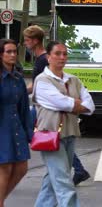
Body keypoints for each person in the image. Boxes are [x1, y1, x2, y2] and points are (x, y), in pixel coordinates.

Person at [23, 25, 91, 186]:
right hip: (49, 107)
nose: (25, 43)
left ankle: (72, 169)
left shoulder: (43, 60)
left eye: (27, 40)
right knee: (51, 139)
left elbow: (38, 85)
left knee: (45, 137)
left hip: (46, 108)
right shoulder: (40, 59)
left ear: (35, 41)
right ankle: (65, 170)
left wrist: (20, 91)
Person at [33, 41, 95, 207]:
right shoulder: (42, 80)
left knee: (52, 180)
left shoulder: (73, 79)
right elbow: (63, 103)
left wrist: (73, 104)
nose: (62, 57)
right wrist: (75, 104)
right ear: (48, 57)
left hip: (69, 133)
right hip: (50, 135)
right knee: (63, 181)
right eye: (57, 53)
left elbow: (90, 106)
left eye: (65, 54)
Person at [0, 39, 33, 207]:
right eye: (8, 52)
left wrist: (29, 133)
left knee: (22, 169)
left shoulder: (18, 78)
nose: (13, 55)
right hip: (2, 128)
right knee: (4, 170)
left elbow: (24, 108)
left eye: (14, 51)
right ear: (1, 55)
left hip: (16, 128)